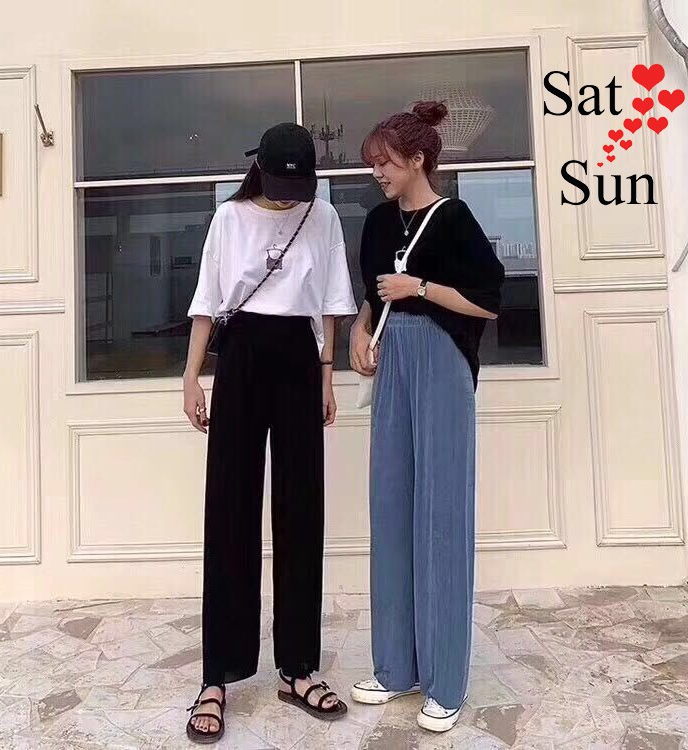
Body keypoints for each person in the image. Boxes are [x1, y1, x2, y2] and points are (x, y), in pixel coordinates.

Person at [182, 122, 356, 743]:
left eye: (297, 186)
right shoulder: (229, 219)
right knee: (230, 508)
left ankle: (298, 667)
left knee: (301, 509)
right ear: (260, 170)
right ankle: (217, 676)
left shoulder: (323, 217)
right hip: (243, 355)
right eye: (281, 184)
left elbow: (330, 303)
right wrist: (191, 375)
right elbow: (207, 301)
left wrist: (327, 375)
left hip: (299, 361)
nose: (288, 197)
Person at [349, 101, 505, 733]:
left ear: (417, 160)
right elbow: (372, 295)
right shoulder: (376, 222)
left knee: (441, 514)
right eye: (373, 164)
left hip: (442, 364)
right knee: (390, 507)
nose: (377, 173)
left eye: (385, 162)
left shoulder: (454, 219)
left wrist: (419, 289)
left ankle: (445, 681)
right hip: (393, 364)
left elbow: (488, 302)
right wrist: (359, 333)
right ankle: (395, 667)